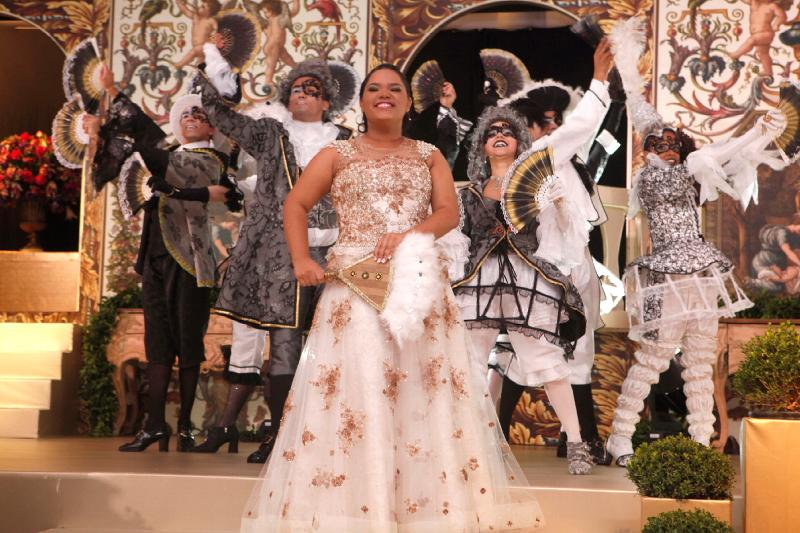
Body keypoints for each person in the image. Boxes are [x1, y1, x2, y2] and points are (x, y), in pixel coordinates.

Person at [239, 63, 544, 531]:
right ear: (362, 102)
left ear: (408, 101)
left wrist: (407, 236)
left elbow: (447, 213)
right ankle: (360, 514)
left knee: (423, 392)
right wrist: (301, 259)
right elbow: (295, 203)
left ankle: (426, 513)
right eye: (375, 89)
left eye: (394, 88)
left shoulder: (429, 155)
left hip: (417, 285)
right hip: (354, 290)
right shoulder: (336, 154)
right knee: (360, 391)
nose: (385, 95)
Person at [606, 17, 787, 466]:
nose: (666, 148)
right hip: (667, 274)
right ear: (646, 150)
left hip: (701, 273)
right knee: (654, 358)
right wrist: (756, 131)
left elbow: (715, 159)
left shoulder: (692, 172)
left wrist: (762, 133)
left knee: (701, 362)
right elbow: (711, 153)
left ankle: (701, 441)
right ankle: (620, 437)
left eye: (673, 143)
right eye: (657, 144)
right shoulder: (653, 178)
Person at [190, 43, 352, 462]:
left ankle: (332, 437)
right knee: (284, 344)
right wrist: (218, 75)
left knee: (338, 344)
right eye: (296, 88)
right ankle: (279, 437)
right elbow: (223, 117)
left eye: (312, 89)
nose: (302, 93)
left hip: (337, 254)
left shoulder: (347, 143)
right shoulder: (269, 134)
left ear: (327, 102)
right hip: (281, 256)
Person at [84, 65, 235, 452]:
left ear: (212, 127)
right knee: (157, 343)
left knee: (188, 343)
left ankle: (183, 427)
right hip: (154, 257)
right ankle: (154, 425)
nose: (191, 118)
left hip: (190, 262)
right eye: (186, 114)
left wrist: (112, 128)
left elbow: (149, 149)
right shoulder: (168, 156)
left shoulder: (211, 160)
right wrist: (112, 96)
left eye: (199, 114)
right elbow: (148, 140)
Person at [451, 105, 592, 475]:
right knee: (470, 365)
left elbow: (561, 234)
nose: (500, 134)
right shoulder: (467, 195)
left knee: (546, 360)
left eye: (507, 131)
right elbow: (458, 243)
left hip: (526, 278)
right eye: (492, 131)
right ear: (482, 146)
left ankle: (577, 441)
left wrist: (559, 203)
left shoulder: (535, 188)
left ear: (519, 142)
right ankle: (475, 443)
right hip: (478, 282)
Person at [497, 39, 617, 465]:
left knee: (580, 351)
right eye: (540, 122)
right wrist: (599, 80)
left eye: (553, 121)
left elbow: (584, 132)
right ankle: (497, 437)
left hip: (578, 264)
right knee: (528, 351)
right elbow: (580, 127)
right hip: (543, 269)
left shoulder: (568, 159)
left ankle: (579, 438)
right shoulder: (537, 155)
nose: (550, 128)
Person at [175, 0, 221, 69]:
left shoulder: (211, 21)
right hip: (199, 49)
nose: (199, 7)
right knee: (201, 66)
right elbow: (185, 11)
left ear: (209, 12)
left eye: (203, 7)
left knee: (194, 51)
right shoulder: (195, 17)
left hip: (205, 47)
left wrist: (213, 40)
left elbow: (218, 30)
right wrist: (180, 4)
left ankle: (180, 64)